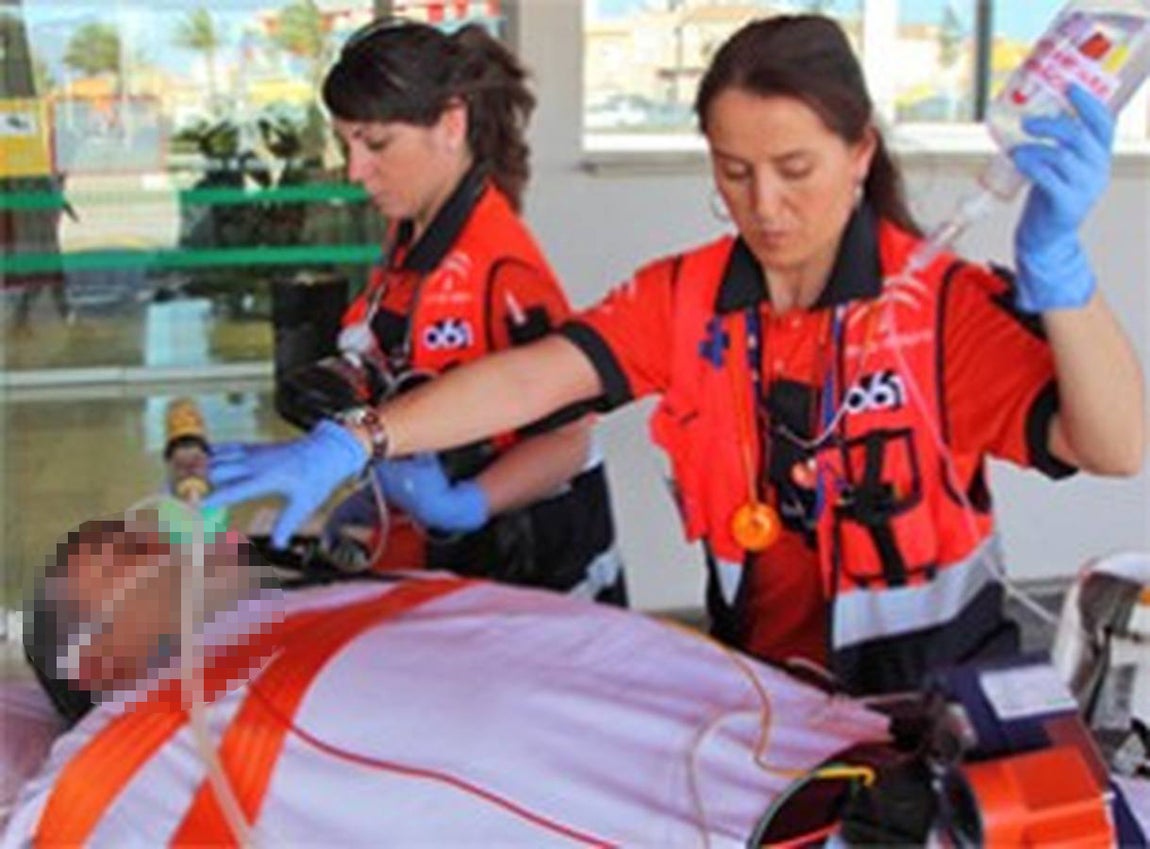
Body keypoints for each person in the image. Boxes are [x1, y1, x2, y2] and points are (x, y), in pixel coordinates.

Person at [205, 15, 1146, 696]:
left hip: (928, 701)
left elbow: (1115, 445)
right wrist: (361, 436)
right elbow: (537, 375)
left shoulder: (934, 306)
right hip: (766, 694)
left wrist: (1062, 275)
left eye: (795, 170)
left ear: (860, 151)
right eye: (734, 172)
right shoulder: (688, 296)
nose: (764, 206)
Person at [11, 515, 890, 846]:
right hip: (785, 823)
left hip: (856, 753)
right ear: (95, 660)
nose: (176, 545)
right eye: (132, 557)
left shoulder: (359, 595)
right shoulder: (135, 751)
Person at [269, 17, 626, 604]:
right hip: (459, 552)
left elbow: (570, 441)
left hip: (541, 559)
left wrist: (464, 504)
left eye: (376, 144)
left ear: (451, 125)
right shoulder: (410, 232)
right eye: (346, 144)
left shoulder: (500, 269)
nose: (355, 170)